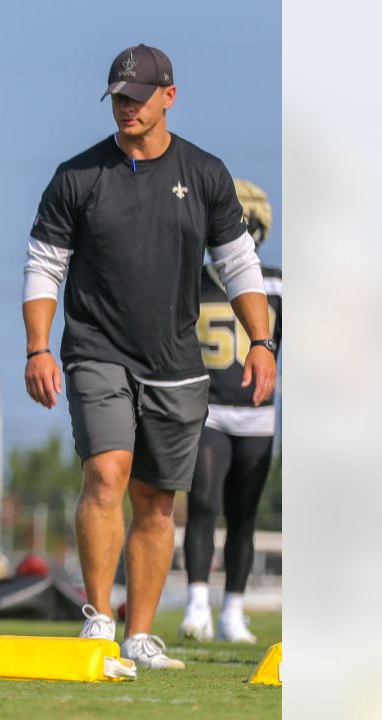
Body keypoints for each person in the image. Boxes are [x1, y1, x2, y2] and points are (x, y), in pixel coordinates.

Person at [21, 44, 277, 671]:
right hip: (96, 349)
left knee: (158, 502)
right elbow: (43, 266)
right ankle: (100, 620)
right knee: (106, 474)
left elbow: (238, 263)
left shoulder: (207, 173)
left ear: (169, 95)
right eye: (118, 98)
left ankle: (140, 634)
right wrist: (38, 347)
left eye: (137, 97)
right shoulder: (77, 177)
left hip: (176, 361)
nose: (126, 108)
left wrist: (262, 342)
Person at [179, 179, 282, 644]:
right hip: (210, 409)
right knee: (202, 504)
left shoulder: (276, 283)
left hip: (258, 413)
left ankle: (233, 610)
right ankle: (197, 602)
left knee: (243, 514)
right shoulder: (191, 278)